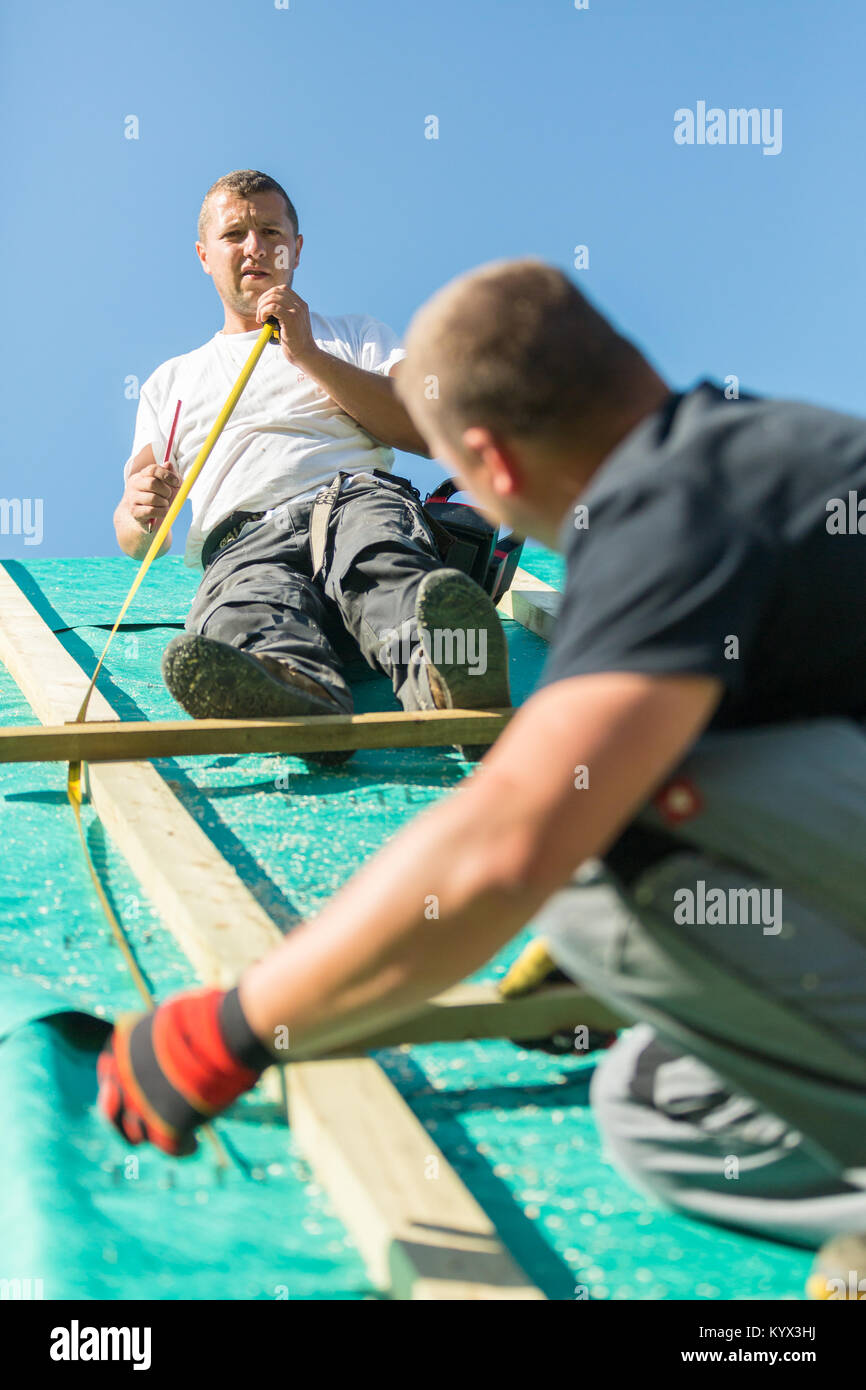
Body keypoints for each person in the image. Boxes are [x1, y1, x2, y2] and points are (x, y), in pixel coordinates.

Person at [100, 258, 866, 1251]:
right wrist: (679, 969)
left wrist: (232, 1029)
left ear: (490, 467)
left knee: (598, 832)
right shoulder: (770, 446)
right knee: (660, 1107)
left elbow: (506, 843)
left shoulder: (668, 514)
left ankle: (434, 674)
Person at [113, 169, 510, 766]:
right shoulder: (170, 382)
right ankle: (299, 695)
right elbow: (138, 537)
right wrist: (141, 509)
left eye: (271, 232)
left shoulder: (354, 335)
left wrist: (307, 353)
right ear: (204, 255)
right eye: (234, 234)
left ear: (295, 249)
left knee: (380, 561)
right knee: (246, 606)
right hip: (241, 541)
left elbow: (425, 429)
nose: (254, 247)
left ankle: (448, 676)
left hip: (353, 500)